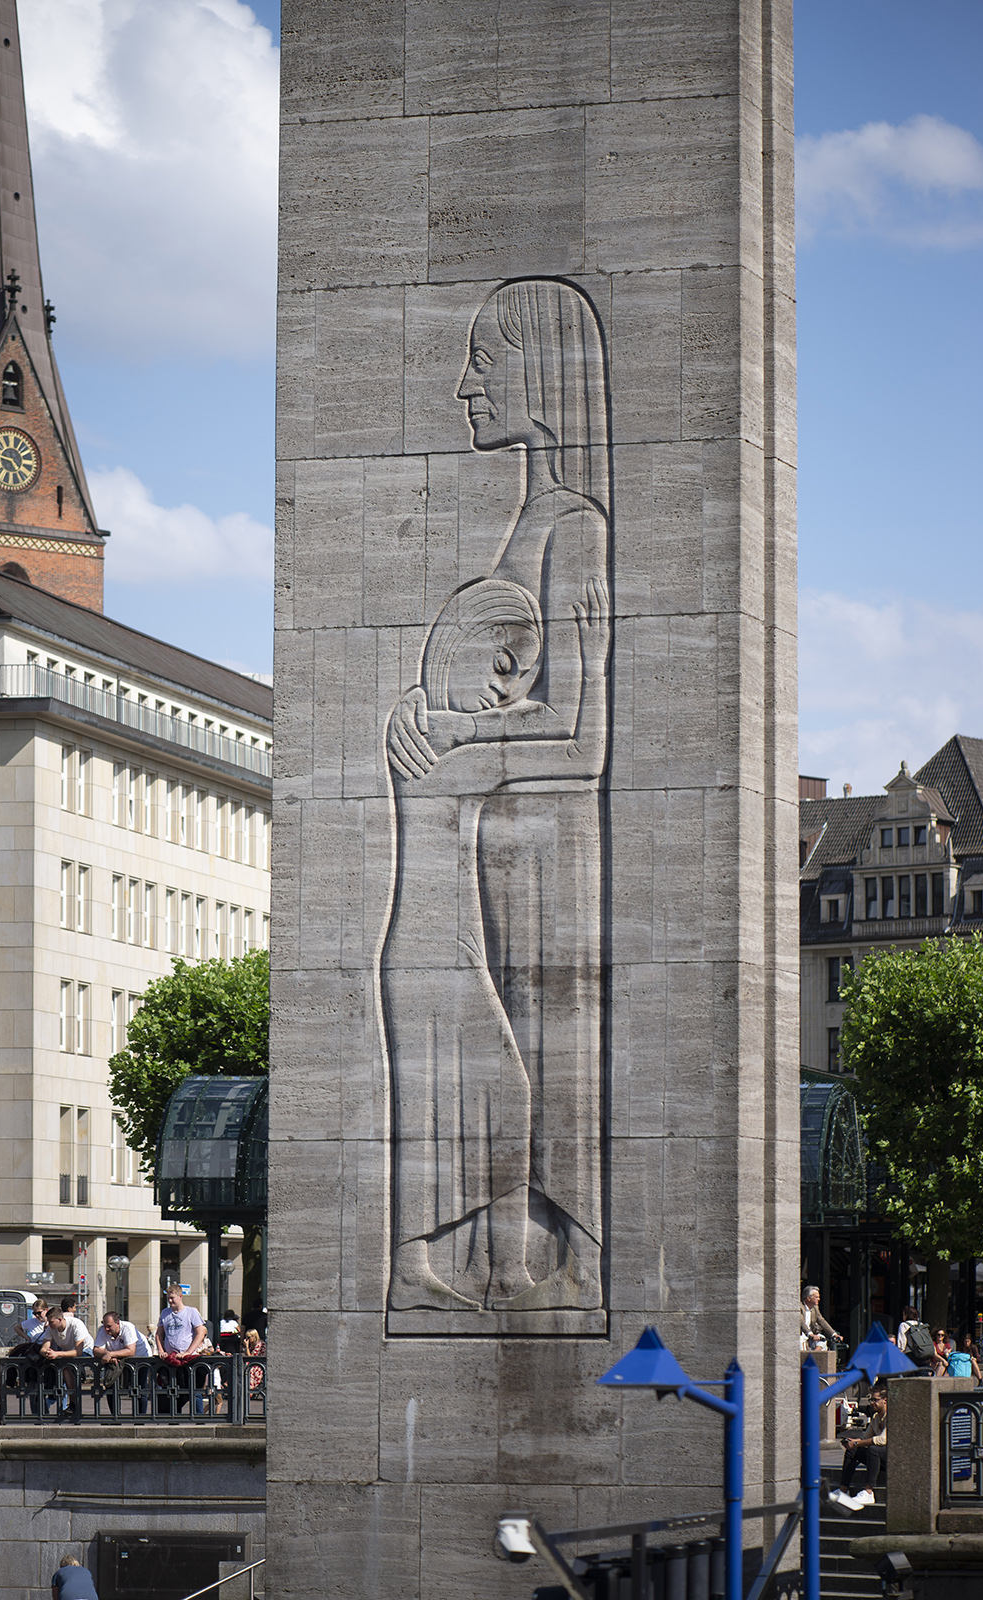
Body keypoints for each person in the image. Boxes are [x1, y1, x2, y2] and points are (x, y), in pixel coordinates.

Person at [389, 278, 611, 1311]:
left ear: (542, 374)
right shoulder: (531, 521)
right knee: (497, 1063)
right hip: (499, 843)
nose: (467, 383)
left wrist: (457, 734)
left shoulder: (574, 529)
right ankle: (492, 1258)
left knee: (533, 1070)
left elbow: (582, 731)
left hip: (549, 851)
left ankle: (551, 1259)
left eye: (487, 360)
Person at [381, 575, 609, 1311]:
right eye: (502, 664)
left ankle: (492, 1271)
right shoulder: (440, 751)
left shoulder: (419, 731)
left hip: (439, 951)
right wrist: (593, 660)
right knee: (491, 1102)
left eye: (519, 676)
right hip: (433, 955)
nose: (504, 691)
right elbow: (583, 756)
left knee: (456, 1110)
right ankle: (418, 1273)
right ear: (463, 648)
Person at [833, 1386, 887, 1506]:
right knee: (852, 1451)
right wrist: (853, 1442)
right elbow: (865, 1439)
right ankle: (843, 1490)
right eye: (871, 1400)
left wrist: (857, 1443)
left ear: (885, 1400)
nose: (872, 1403)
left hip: (892, 1458)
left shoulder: (892, 1416)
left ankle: (868, 1492)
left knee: (874, 1449)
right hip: (879, 1457)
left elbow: (882, 1440)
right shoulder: (875, 1417)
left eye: (875, 1400)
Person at [39, 1308, 95, 1417]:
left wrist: (57, 1354)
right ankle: (57, 1398)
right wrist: (47, 1353)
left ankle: (73, 1402)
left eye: (51, 1322)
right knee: (55, 1366)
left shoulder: (76, 1324)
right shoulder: (51, 1328)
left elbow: (78, 1352)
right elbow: (43, 1348)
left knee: (66, 1367)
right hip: (65, 1352)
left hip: (85, 1350)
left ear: (59, 1319)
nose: (49, 1325)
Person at [92, 1312, 151, 1414]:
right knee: (111, 1386)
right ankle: (116, 1417)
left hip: (140, 1358)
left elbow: (130, 1351)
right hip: (119, 1358)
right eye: (105, 1326)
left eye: (109, 1326)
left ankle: (140, 1418)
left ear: (118, 1323)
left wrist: (111, 1354)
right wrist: (108, 1354)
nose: (106, 1329)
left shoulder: (128, 1328)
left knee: (139, 1388)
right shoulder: (103, 1330)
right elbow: (96, 1350)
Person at [155, 1286, 206, 1357]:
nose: (170, 1301)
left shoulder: (192, 1312)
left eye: (172, 1298)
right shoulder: (164, 1313)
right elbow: (158, 1334)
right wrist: (161, 1351)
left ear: (180, 1296)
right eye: (168, 1298)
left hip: (187, 1356)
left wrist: (188, 1352)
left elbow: (200, 1333)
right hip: (170, 1356)